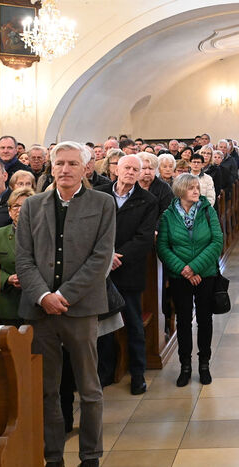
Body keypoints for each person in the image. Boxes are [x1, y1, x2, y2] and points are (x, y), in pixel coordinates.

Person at [15, 141, 115, 467]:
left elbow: (100, 258)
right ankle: (53, 455)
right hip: (40, 309)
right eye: (59, 163)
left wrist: (65, 295)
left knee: (89, 388)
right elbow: (24, 259)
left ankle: (90, 455)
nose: (65, 169)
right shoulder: (33, 205)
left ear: (86, 168)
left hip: (81, 308)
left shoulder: (102, 203)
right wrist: (43, 296)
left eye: (73, 163)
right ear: (51, 167)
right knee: (47, 388)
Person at [96, 153, 159, 395]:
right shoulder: (100, 194)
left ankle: (137, 373)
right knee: (103, 326)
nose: (131, 172)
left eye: (136, 169)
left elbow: (144, 238)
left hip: (129, 270)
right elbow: (91, 230)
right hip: (101, 270)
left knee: (133, 323)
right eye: (127, 168)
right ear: (116, 170)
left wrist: (118, 257)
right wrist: (106, 256)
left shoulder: (147, 200)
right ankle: (105, 372)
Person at [156, 173, 222, 387]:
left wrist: (195, 268)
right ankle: (185, 365)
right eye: (191, 188)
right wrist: (183, 269)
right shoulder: (168, 215)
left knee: (205, 319)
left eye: (197, 187)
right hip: (180, 276)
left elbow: (217, 241)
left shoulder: (207, 210)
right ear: (180, 190)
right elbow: (163, 246)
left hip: (205, 274)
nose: (196, 191)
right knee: (183, 321)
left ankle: (204, 364)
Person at [0, 187, 34, 326]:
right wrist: (7, 279)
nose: (20, 210)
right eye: (16, 206)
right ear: (9, 211)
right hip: (8, 304)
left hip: (36, 303)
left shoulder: (44, 234)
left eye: (25, 205)